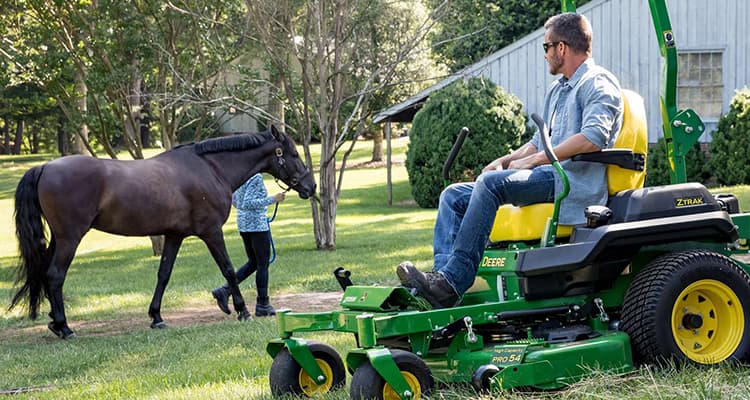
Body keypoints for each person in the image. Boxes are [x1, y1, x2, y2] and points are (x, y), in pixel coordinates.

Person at [397, 12, 623, 309]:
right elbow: (538, 141)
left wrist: (535, 162)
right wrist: (505, 161)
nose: (545, 55)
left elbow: (593, 137)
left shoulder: (597, 83)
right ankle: (441, 282)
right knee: (453, 195)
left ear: (562, 48)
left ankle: (452, 282)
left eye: (546, 47)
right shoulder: (559, 90)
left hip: (569, 181)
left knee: (490, 185)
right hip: (550, 174)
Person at [211, 173, 285, 317]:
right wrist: (273, 199)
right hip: (257, 225)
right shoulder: (255, 177)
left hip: (243, 225)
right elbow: (248, 203)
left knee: (253, 263)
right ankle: (263, 304)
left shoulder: (241, 176)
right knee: (262, 264)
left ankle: (225, 290)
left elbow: (235, 201)